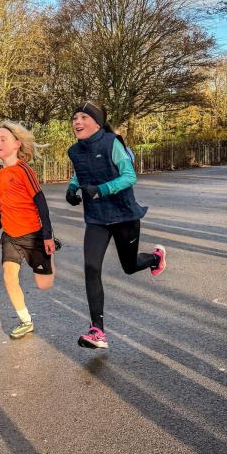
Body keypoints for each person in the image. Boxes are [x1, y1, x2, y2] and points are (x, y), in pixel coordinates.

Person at [66, 100, 166, 350]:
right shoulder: (74, 151)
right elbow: (80, 170)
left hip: (123, 215)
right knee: (91, 267)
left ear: (97, 123)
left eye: (83, 117)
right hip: (97, 218)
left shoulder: (111, 143)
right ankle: (97, 331)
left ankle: (155, 258)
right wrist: (72, 188)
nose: (77, 122)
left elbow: (129, 176)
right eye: (75, 118)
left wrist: (102, 189)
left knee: (129, 266)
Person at [0, 121, 58, 339]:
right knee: (9, 276)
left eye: (3, 139)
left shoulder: (25, 171)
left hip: (33, 235)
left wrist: (47, 235)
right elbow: (6, 211)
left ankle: (50, 253)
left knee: (44, 283)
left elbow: (41, 204)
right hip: (11, 238)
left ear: (16, 144)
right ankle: (25, 321)